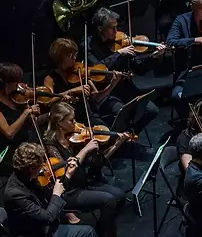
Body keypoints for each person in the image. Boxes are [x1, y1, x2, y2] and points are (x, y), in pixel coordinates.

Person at [43, 103, 128, 237]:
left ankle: (100, 230)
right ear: (60, 122)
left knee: (120, 196)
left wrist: (117, 144)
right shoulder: (50, 146)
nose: (75, 123)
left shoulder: (75, 139)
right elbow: (66, 171)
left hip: (84, 183)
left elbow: (97, 162)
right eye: (71, 120)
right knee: (109, 200)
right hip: (69, 191)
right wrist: (85, 149)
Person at [83, 7, 163, 135]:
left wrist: (154, 57)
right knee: (123, 113)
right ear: (100, 29)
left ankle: (129, 135)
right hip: (106, 93)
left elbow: (138, 67)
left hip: (126, 89)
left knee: (151, 110)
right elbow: (96, 71)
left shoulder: (121, 42)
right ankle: (116, 140)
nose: (117, 31)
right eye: (112, 28)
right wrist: (118, 54)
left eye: (116, 26)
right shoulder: (88, 46)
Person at [2, 142, 97, 237]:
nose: (43, 168)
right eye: (40, 165)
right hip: (36, 232)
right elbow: (47, 218)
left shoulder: (25, 176)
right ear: (31, 169)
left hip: (45, 223)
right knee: (88, 231)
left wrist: (68, 175)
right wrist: (56, 194)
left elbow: (48, 193)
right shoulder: (15, 194)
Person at [43, 38, 113, 127]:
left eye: (75, 54)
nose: (74, 58)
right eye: (69, 55)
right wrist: (71, 91)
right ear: (59, 57)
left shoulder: (79, 72)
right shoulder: (50, 78)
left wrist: (112, 84)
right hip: (68, 123)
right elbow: (49, 102)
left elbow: (96, 97)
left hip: (89, 118)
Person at [0, 63, 42, 174]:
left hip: (24, 150)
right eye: (16, 81)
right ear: (5, 83)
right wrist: (26, 112)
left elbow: (33, 125)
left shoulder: (17, 99)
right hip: (8, 156)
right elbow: (9, 133)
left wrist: (33, 116)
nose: (19, 84)